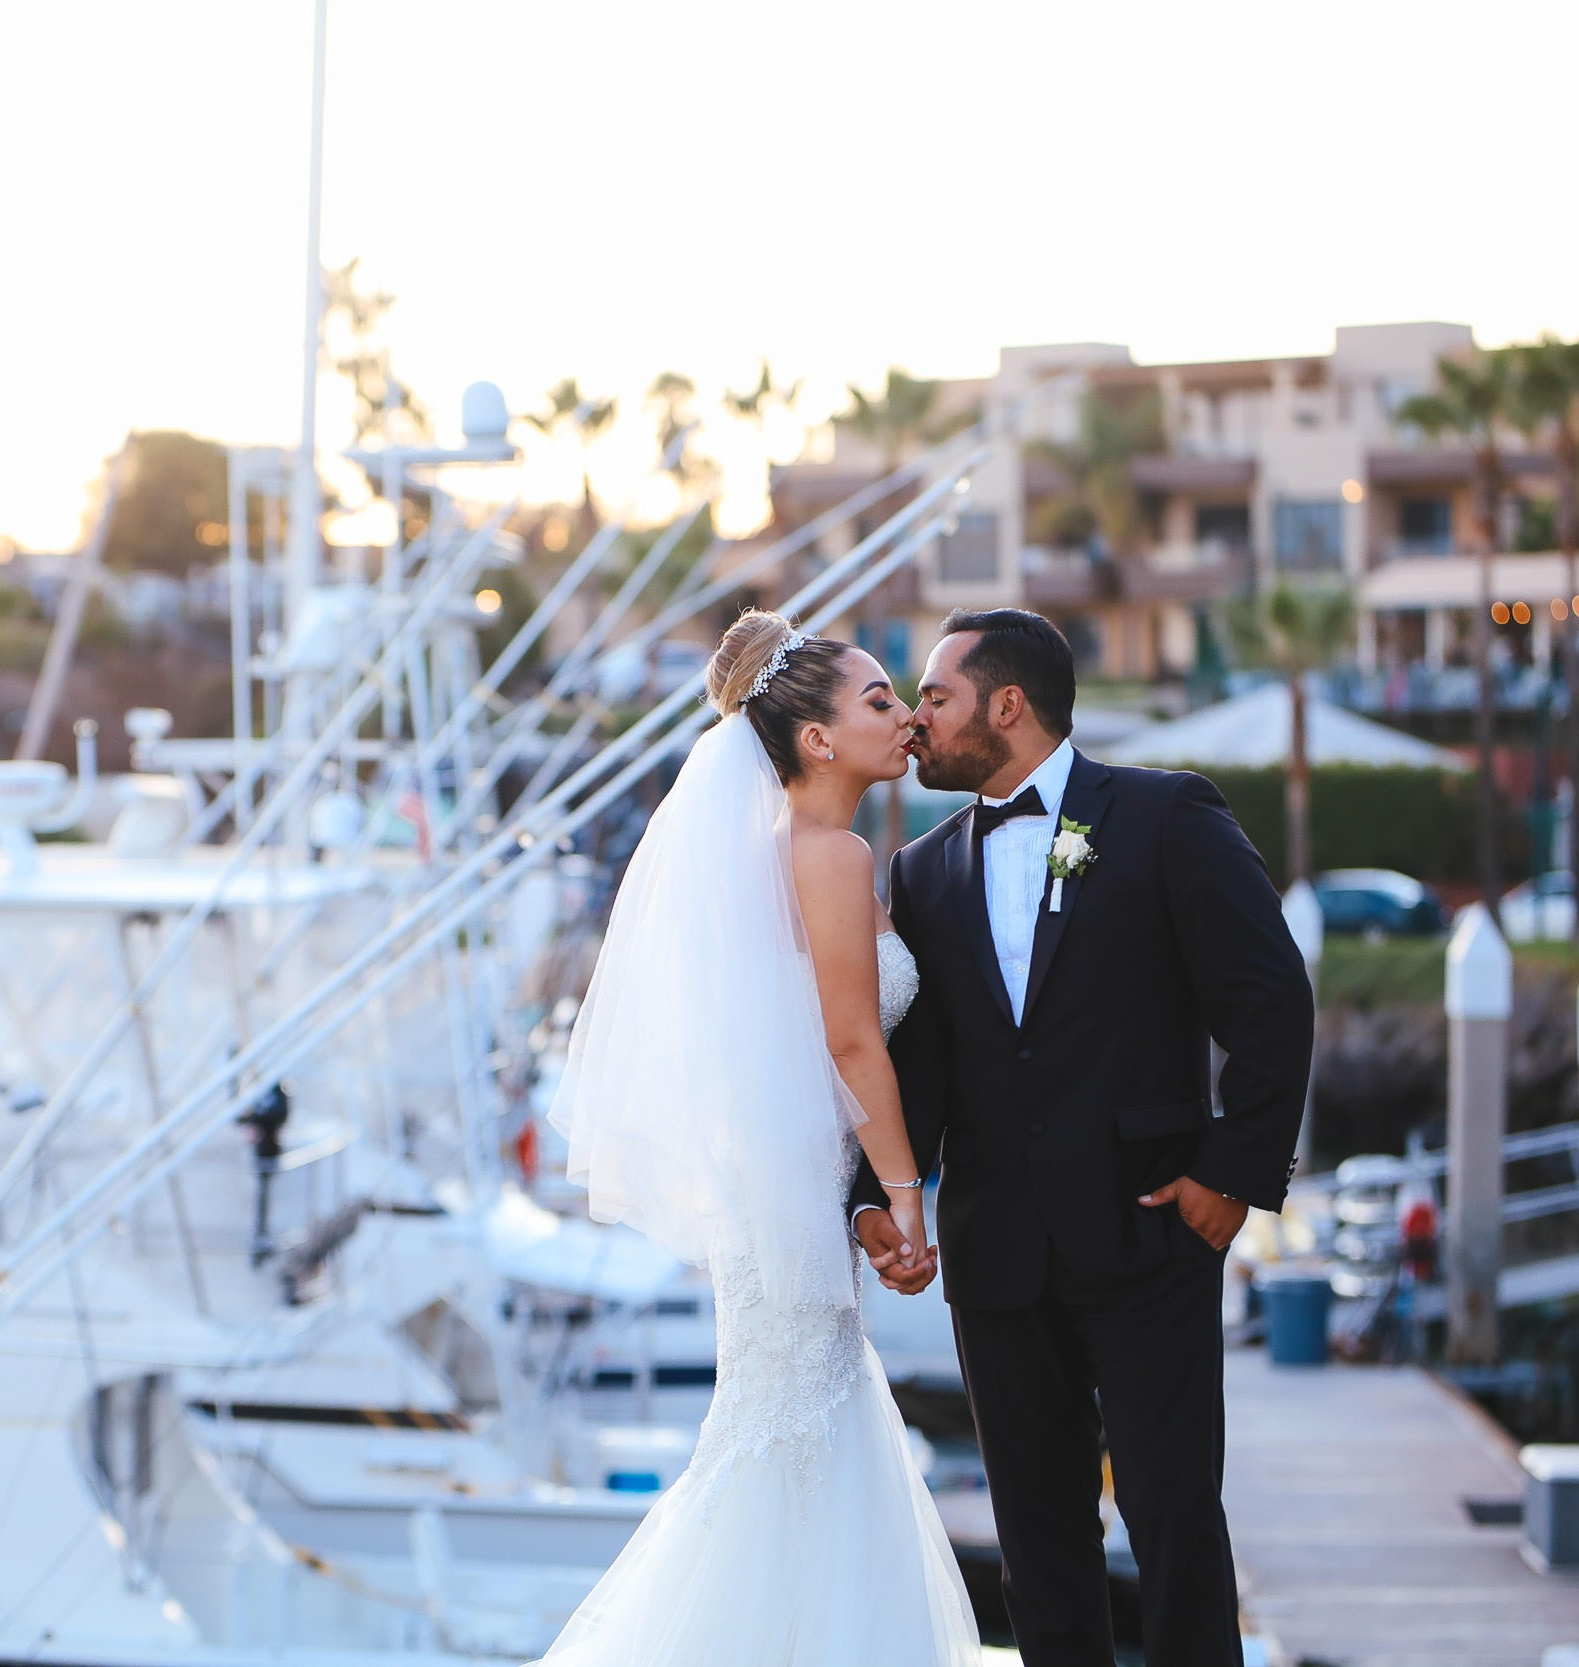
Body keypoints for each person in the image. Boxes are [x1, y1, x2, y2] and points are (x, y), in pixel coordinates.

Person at [853, 607, 1311, 1666]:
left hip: (1151, 1235)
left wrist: (1231, 1173)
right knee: (1038, 1543)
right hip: (997, 1253)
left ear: (1007, 705)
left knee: (1174, 1520)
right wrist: (878, 1194)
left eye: (936, 697)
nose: (918, 720)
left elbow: (1271, 997)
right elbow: (922, 1065)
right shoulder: (921, 870)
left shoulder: (1164, 816)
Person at [534, 610, 981, 1665]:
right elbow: (849, 1040)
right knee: (790, 1446)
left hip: (784, 1195)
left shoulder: (768, 860)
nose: (905, 715)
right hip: (794, 1204)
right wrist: (904, 1196)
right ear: (817, 739)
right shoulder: (827, 853)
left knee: (786, 1442)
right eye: (879, 699)